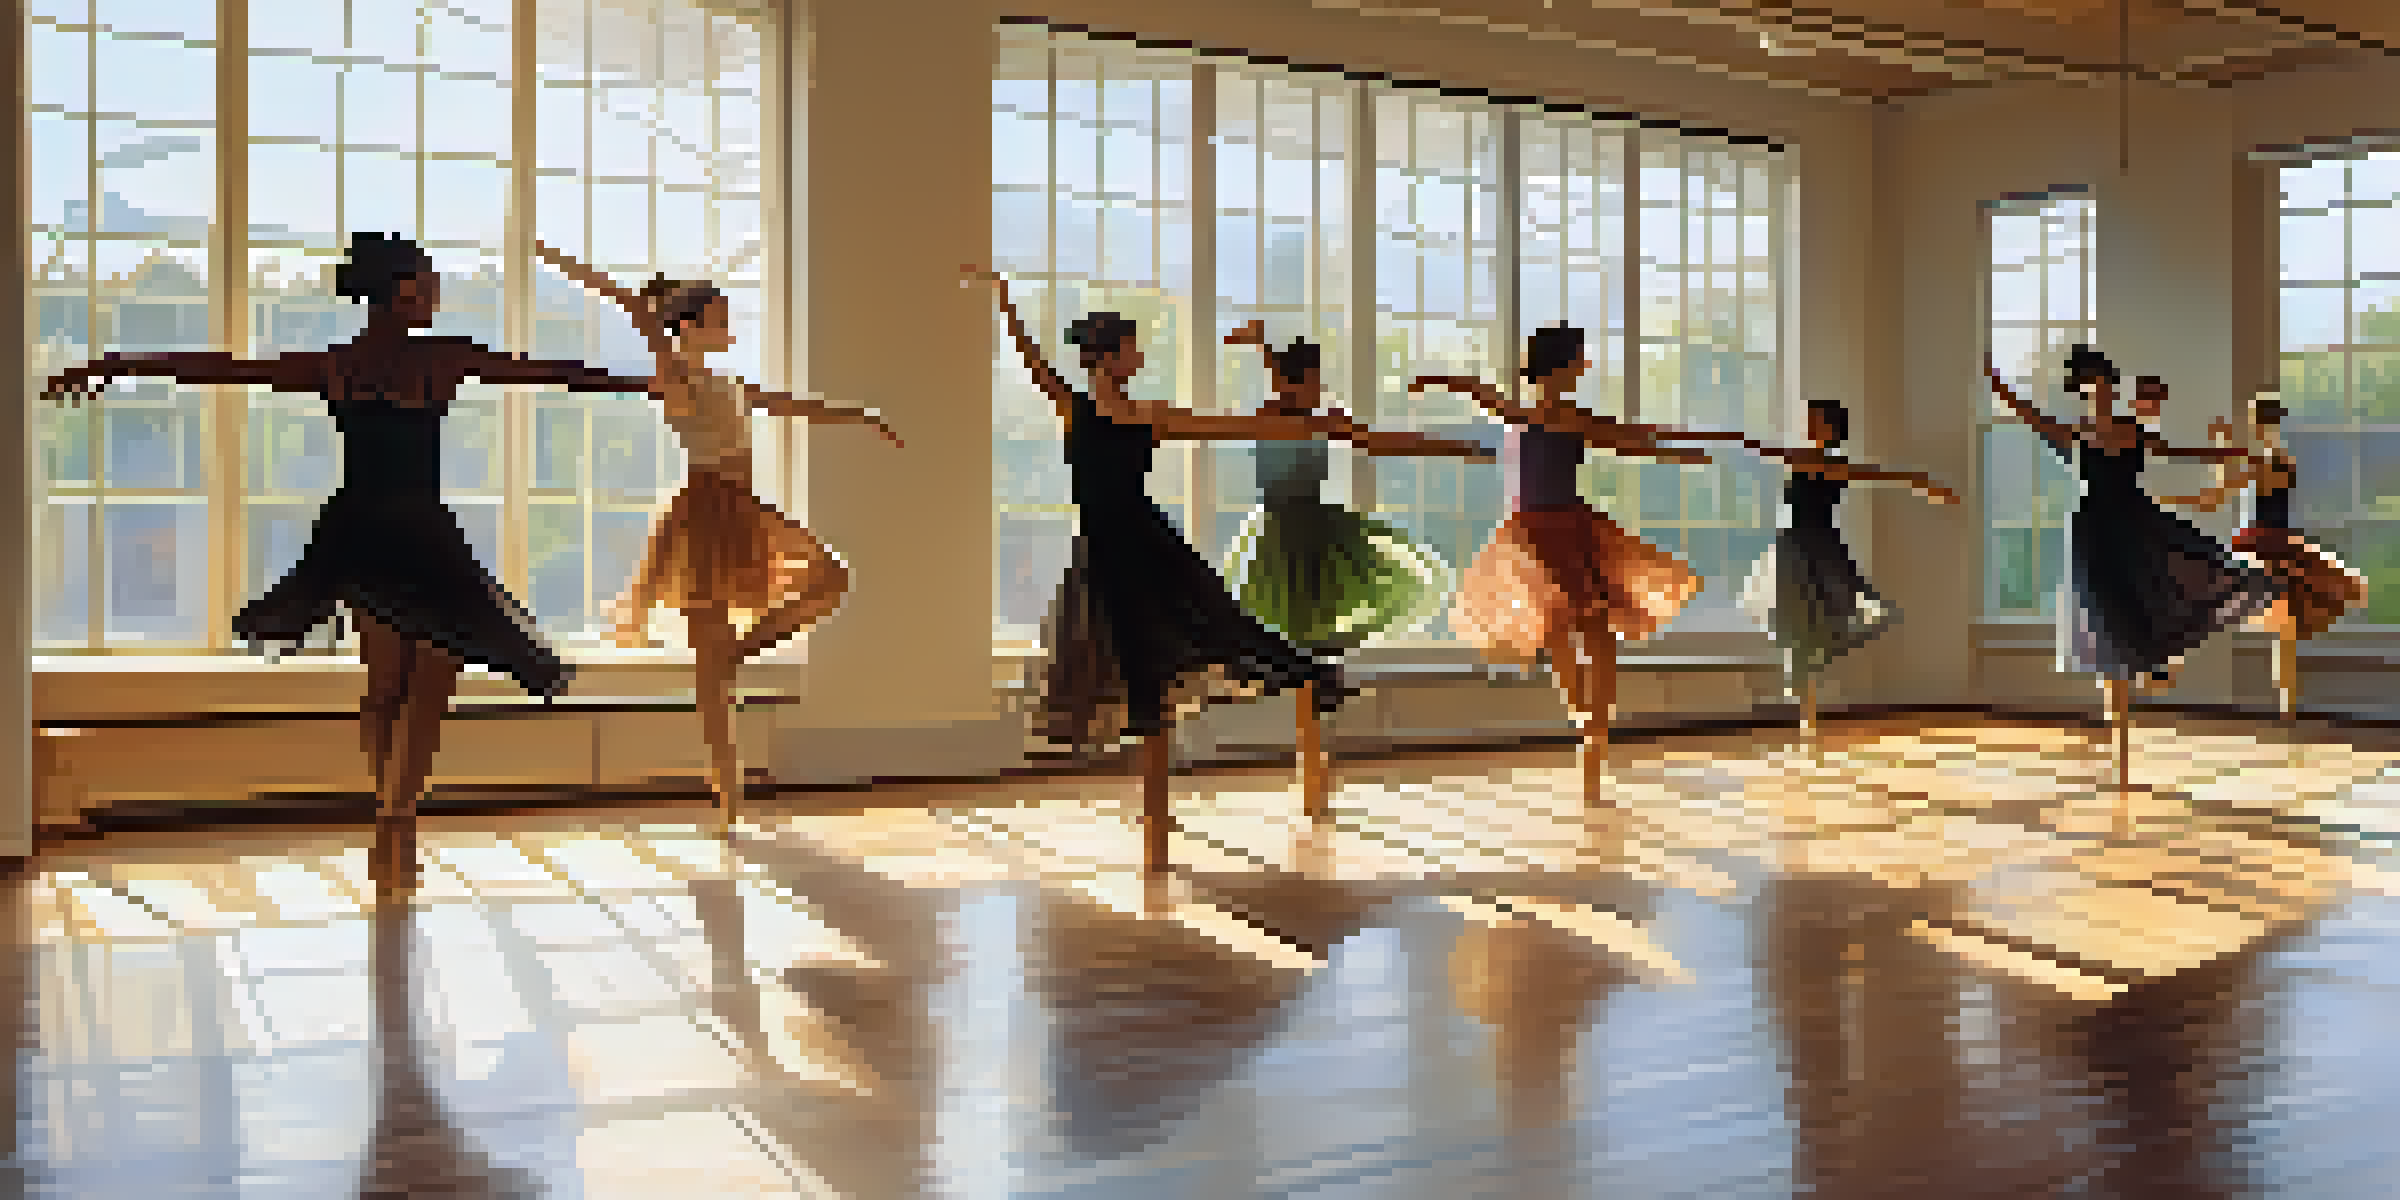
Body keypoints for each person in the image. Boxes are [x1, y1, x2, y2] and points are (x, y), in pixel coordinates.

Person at [41, 232, 660, 900]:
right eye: (425, 285)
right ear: (395, 293)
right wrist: (118, 363)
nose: (436, 295)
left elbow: (549, 372)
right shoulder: (390, 362)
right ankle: (395, 817)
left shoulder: (388, 361)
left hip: (385, 530)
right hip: (389, 533)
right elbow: (228, 370)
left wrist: (643, 383)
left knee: (417, 681)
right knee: (398, 684)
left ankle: (394, 817)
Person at [967, 265, 1358, 892]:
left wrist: (1311, 425)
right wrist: (1004, 300)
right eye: (1131, 346)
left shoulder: (1148, 414)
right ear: (1106, 356)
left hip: (1149, 550)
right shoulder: (1074, 407)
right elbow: (1032, 363)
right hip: (1103, 558)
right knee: (1132, 684)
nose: (1141, 354)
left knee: (1197, 655)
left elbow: (1230, 428)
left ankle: (1161, 836)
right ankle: (1155, 839)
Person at [535, 241, 901, 834]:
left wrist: (861, 416)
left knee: (831, 579)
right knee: (713, 682)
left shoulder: (727, 383)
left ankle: (733, 655)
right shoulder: (675, 376)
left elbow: (793, 404)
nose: (730, 327)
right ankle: (726, 794)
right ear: (690, 325)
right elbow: (637, 313)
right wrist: (567, 265)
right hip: (705, 513)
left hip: (746, 511)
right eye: (720, 318)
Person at [1411, 323, 1762, 808]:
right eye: (1579, 358)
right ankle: (1583, 714)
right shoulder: (1529, 411)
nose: (1584, 366)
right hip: (1531, 532)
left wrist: (1685, 451)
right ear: (1562, 363)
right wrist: (1442, 382)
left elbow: (1631, 440)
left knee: (1595, 627)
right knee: (1556, 627)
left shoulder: (1575, 416)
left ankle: (1597, 721)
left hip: (1572, 528)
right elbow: (1487, 398)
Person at [1220, 320, 1491, 815]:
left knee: (1316, 652)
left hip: (1318, 535)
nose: (1318, 387)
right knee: (1288, 648)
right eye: (1311, 379)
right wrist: (1261, 347)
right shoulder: (1270, 413)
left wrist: (1458, 448)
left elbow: (1383, 442)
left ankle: (1313, 765)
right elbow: (1279, 395)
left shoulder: (1324, 416)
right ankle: (1310, 763)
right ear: (1291, 379)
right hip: (1279, 539)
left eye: (1319, 379)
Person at [1983, 349, 2276, 805]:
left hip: (2138, 526)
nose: (2096, 389)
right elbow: (2025, 414)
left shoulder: (2134, 429)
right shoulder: (2074, 432)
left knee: (2185, 578)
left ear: (2112, 386)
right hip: (2094, 533)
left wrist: (2234, 451)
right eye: (2088, 383)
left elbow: (2181, 453)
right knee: (2106, 634)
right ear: (2079, 390)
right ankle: (2119, 756)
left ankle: (2155, 668)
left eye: (2102, 381)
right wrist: (1994, 377)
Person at [1736, 398, 1959, 746]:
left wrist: (1923, 483)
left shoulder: (1821, 461)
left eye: (1813, 419)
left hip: (1811, 547)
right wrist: (1923, 483)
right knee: (1800, 627)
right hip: (1801, 545)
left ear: (1828, 427)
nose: (1806, 424)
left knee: (1806, 626)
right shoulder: (1820, 460)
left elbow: (1880, 474)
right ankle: (1805, 713)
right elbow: (1883, 474)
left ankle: (1806, 713)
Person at [2156, 390, 2366, 721]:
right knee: (2283, 631)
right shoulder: (2278, 458)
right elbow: (2222, 492)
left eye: (2254, 419)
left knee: (2202, 594)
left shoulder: (2267, 460)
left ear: (2257, 422)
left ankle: (2168, 663)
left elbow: (2214, 497)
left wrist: (2170, 494)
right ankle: (2287, 712)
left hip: (2263, 545)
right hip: (2277, 545)